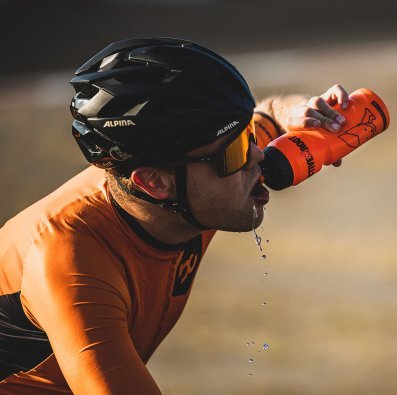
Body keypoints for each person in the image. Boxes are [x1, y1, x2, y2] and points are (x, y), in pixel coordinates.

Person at [0, 37, 349, 394]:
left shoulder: (189, 177)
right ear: (154, 182)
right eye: (236, 151)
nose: (259, 155)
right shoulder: (71, 259)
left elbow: (272, 111)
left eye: (247, 135)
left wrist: (298, 112)